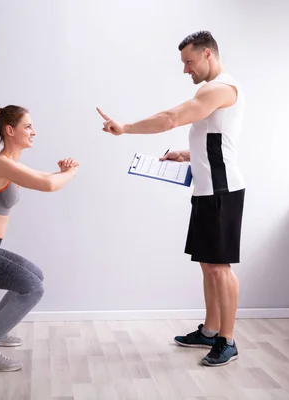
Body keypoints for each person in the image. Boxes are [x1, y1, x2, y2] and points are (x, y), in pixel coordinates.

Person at [97, 31, 245, 367]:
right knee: (208, 265)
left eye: (189, 62)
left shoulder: (221, 88)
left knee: (220, 268)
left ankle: (228, 340)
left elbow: (171, 118)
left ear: (207, 54)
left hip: (223, 191)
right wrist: (185, 153)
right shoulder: (210, 90)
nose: (185, 70)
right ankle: (210, 330)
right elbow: (215, 140)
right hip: (207, 189)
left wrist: (126, 128)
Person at [0, 105, 79, 371]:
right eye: (28, 126)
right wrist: (71, 172)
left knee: (34, 275)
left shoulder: (10, 165)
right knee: (33, 288)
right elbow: (49, 185)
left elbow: (46, 177)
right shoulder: (0, 164)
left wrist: (62, 171)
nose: (34, 131)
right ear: (10, 130)